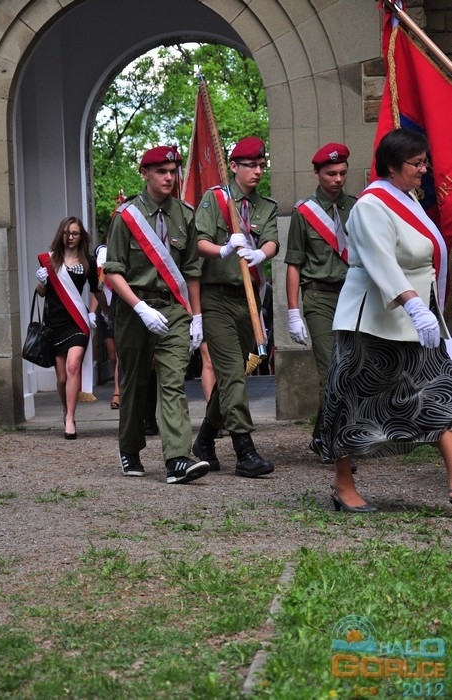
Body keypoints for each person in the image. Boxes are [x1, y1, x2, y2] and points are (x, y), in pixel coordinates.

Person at [321, 128, 452, 512]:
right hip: (372, 323)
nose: (424, 169)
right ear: (393, 167)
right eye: (417, 163)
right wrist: (414, 305)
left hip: (420, 321)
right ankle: (343, 484)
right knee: (352, 404)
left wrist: (431, 313)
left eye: (425, 162)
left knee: (441, 396)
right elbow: (381, 261)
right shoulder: (370, 205)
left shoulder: (410, 199)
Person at [104, 145, 209, 483]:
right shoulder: (127, 216)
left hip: (174, 308)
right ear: (145, 173)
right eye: (161, 171)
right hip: (135, 309)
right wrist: (139, 307)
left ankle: (177, 458)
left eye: (173, 171)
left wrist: (196, 316)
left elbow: (191, 270)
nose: (169, 177)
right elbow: (112, 271)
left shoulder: (185, 214)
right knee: (134, 383)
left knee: (173, 380)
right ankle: (130, 448)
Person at [193, 136, 279, 477]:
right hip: (216, 298)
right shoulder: (215, 199)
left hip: (248, 299)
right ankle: (245, 450)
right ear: (233, 166)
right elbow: (199, 243)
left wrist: (261, 254)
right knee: (231, 372)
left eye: (261, 165)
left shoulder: (265, 206)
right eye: (250, 165)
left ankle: (204, 440)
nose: (257, 171)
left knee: (234, 375)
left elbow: (272, 240)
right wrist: (224, 248)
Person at [285, 143, 356, 465]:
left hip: (352, 296)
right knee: (331, 370)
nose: (338, 179)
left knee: (351, 369)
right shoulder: (304, 212)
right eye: (331, 173)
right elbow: (294, 263)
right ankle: (336, 445)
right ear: (317, 173)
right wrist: (293, 311)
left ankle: (321, 434)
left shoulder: (357, 207)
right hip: (319, 297)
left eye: (342, 173)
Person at [35, 216, 109, 439]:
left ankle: (70, 418)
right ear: (61, 234)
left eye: (75, 233)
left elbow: (97, 290)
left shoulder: (88, 262)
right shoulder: (49, 261)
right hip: (55, 323)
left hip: (77, 322)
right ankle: (66, 409)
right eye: (67, 233)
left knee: (73, 366)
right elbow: (41, 293)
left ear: (81, 236)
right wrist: (41, 282)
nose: (70, 237)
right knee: (61, 378)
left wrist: (104, 313)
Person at [90, 237, 120, 410]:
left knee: (120, 353)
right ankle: (118, 384)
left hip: (119, 309)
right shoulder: (101, 253)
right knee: (112, 354)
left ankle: (117, 390)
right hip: (105, 311)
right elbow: (97, 289)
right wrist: (92, 312)